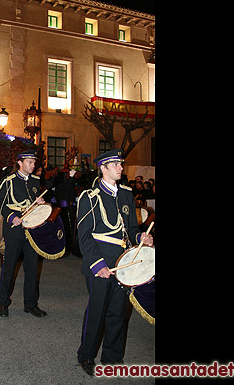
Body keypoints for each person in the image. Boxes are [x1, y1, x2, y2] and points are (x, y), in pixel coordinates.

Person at [75, 148, 154, 376]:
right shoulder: (89, 197)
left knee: (118, 311)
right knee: (97, 311)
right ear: (103, 168)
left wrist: (141, 237)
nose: (121, 168)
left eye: (121, 164)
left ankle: (112, 356)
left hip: (124, 263)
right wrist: (97, 264)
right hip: (101, 263)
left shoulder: (127, 194)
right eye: (116, 164)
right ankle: (86, 355)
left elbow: (130, 229)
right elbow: (84, 235)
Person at [0, 150, 47, 318]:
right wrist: (11, 217)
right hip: (14, 230)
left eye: (34, 162)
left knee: (32, 268)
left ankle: (30, 304)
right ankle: (3, 303)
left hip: (31, 231)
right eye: (30, 162)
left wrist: (39, 202)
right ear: (20, 163)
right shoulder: (8, 181)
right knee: (9, 267)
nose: (33, 165)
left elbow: (32, 203)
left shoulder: (36, 181)